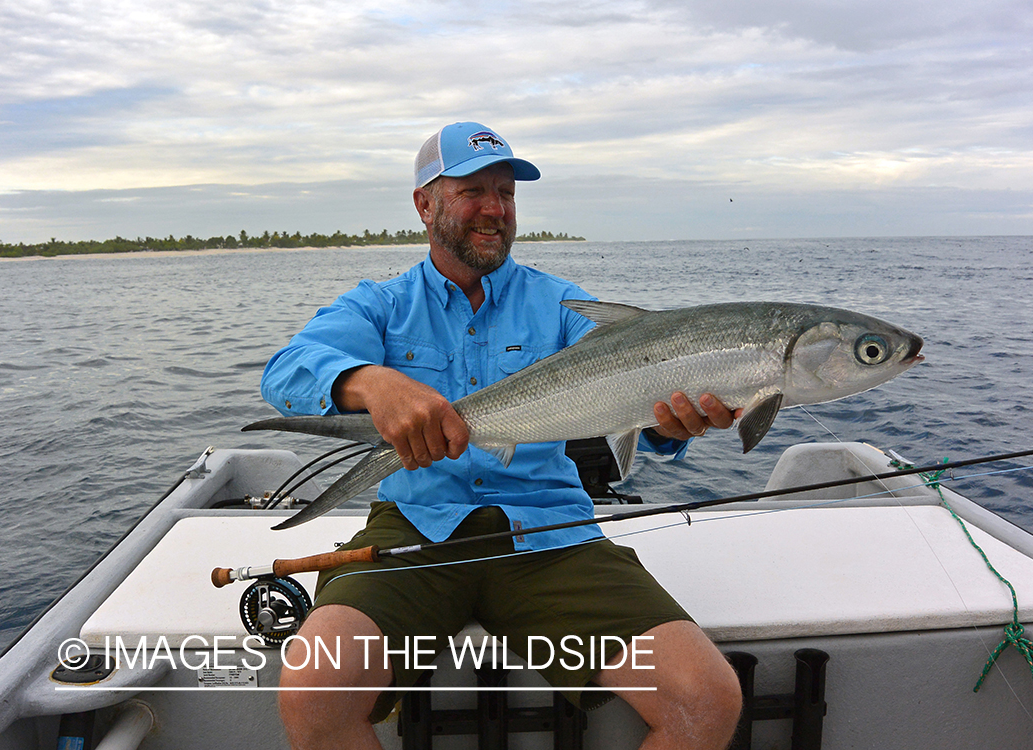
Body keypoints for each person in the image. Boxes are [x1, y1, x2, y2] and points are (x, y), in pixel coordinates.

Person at [262, 121, 743, 749]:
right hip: (415, 529)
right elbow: (286, 372)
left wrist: (671, 422)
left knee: (705, 699)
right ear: (424, 204)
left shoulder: (565, 306)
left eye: (507, 193)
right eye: (472, 190)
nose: (495, 209)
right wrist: (373, 384)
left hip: (550, 533)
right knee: (313, 691)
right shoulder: (379, 305)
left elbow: (638, 404)